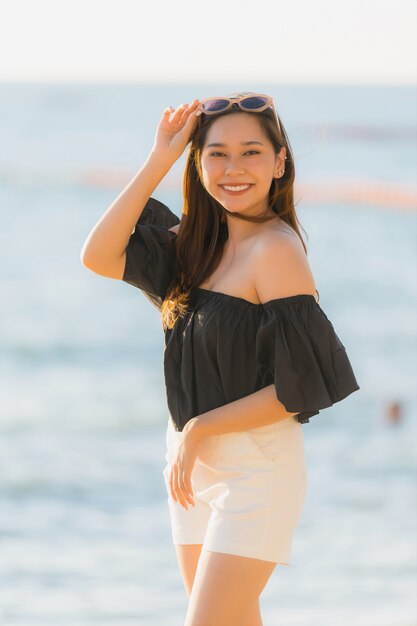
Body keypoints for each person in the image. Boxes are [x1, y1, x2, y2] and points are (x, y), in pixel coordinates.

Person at [81, 92, 360, 626]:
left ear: (280, 162)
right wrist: (158, 159)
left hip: (255, 470)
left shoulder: (275, 250)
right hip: (191, 464)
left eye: (252, 152)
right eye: (217, 154)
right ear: (198, 161)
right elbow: (97, 255)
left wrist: (201, 429)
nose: (234, 169)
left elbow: (298, 386)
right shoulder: (193, 243)